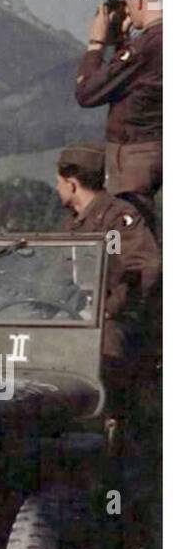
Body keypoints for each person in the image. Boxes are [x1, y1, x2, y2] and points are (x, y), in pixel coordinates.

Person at [56, 141, 161, 394]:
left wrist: (108, 310)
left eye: (59, 181)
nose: (57, 188)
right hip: (79, 317)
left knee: (105, 350)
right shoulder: (71, 226)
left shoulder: (119, 217)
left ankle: (108, 418)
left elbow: (145, 269)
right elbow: (58, 278)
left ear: (71, 184)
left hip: (120, 320)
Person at [74, 0, 162, 207]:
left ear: (141, 2)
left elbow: (87, 93)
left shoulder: (147, 46)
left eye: (129, 3)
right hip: (156, 145)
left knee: (129, 228)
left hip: (134, 153)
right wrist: (123, 43)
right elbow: (133, 78)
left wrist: (96, 43)